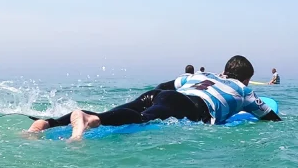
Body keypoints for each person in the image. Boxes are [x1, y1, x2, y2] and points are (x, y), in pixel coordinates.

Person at [26, 55, 281, 141]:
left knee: (128, 109)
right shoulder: (245, 91)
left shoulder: (202, 76)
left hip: (163, 94)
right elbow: (271, 117)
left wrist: (159, 98)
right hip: (188, 106)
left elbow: (162, 86)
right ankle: (89, 119)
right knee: (141, 119)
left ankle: (46, 123)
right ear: (246, 78)